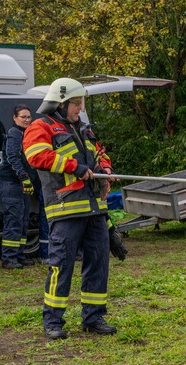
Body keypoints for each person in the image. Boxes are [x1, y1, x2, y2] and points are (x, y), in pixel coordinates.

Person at [23, 78, 116, 340]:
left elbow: (100, 154)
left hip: (95, 209)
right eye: (77, 103)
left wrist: (105, 169)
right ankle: (52, 321)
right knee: (61, 266)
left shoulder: (85, 129)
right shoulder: (41, 127)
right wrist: (74, 166)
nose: (80, 108)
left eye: (82, 103)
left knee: (98, 263)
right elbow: (36, 155)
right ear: (60, 104)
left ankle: (94, 317)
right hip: (65, 210)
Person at [0, 105, 36, 269]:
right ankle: (9, 259)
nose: (27, 120)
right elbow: (12, 157)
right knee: (13, 221)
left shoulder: (26, 133)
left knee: (23, 220)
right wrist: (24, 177)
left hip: (22, 184)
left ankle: (19, 255)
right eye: (23, 117)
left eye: (28, 117)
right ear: (14, 118)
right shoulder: (14, 133)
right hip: (11, 183)